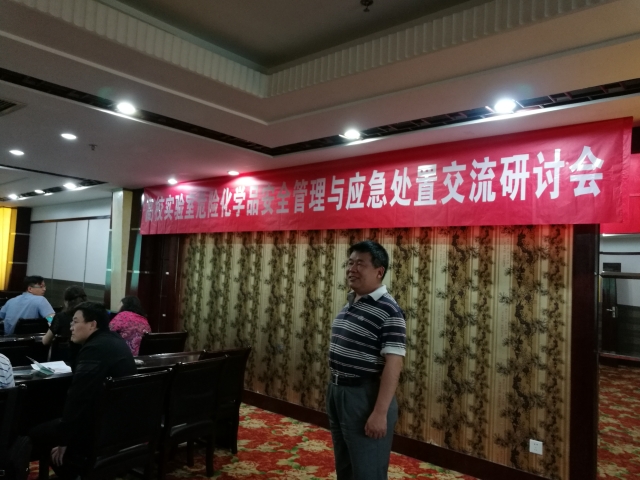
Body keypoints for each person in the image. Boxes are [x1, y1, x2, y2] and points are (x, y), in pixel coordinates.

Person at [326, 240, 406, 480]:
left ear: (379, 271)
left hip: (365, 397)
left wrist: (380, 413)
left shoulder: (389, 310)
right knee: (346, 468)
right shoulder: (352, 303)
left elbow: (394, 363)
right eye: (350, 263)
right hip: (339, 393)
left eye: (360, 264)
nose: (352, 269)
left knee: (368, 472)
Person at [29, 302, 137, 479]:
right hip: (121, 421)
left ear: (92, 324)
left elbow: (78, 396)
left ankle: (74, 472)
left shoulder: (95, 349)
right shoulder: (113, 340)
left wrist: (64, 440)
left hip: (101, 428)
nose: (71, 327)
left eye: (75, 321)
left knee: (36, 434)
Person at [42, 286, 87, 365]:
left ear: (66, 302)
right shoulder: (90, 317)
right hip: (83, 359)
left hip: (61, 361)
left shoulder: (60, 317)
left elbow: (45, 341)